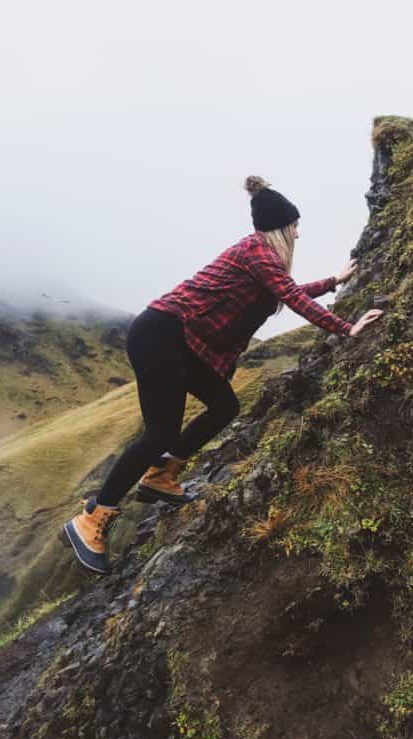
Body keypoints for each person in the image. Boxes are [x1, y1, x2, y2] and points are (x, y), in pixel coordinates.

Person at [59, 176, 383, 575]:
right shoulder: (258, 251)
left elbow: (283, 291)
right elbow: (291, 296)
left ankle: (161, 476)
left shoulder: (263, 259)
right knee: (159, 432)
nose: (299, 232)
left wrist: (334, 282)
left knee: (224, 405)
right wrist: (346, 327)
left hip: (179, 341)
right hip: (162, 334)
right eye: (295, 225)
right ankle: (91, 518)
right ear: (281, 227)